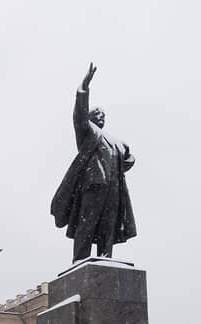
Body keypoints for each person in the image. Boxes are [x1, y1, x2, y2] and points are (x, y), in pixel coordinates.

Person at [51, 63, 136, 262]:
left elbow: (129, 159)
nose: (101, 116)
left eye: (103, 114)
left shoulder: (115, 142)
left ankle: (106, 258)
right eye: (97, 113)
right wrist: (84, 88)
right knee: (87, 224)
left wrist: (127, 159)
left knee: (108, 227)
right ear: (90, 117)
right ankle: (80, 260)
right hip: (93, 185)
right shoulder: (88, 132)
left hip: (114, 190)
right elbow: (78, 115)